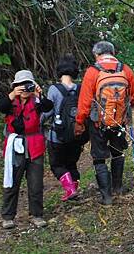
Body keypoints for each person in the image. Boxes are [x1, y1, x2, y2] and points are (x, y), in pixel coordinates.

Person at [74, 41, 134, 205]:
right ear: (113, 53)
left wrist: (79, 122)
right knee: (117, 153)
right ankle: (117, 188)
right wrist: (123, 107)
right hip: (119, 122)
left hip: (98, 122)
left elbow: (84, 102)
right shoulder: (125, 69)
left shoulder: (92, 72)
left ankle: (106, 197)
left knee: (99, 158)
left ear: (97, 55)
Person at [0, 69, 53, 229]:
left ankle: (36, 214)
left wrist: (39, 94)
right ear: (15, 86)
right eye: (20, 85)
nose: (24, 89)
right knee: (12, 182)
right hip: (15, 146)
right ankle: (8, 216)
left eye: (26, 85)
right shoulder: (10, 101)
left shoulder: (36, 101)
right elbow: (1, 107)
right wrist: (12, 94)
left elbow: (49, 106)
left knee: (35, 183)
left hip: (35, 144)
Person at [42, 55, 88, 202]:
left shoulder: (54, 89)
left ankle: (70, 189)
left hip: (58, 136)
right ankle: (74, 189)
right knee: (71, 163)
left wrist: (38, 121)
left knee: (57, 165)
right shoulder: (80, 88)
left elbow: (48, 112)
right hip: (76, 135)